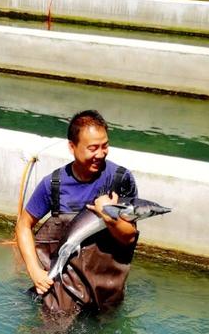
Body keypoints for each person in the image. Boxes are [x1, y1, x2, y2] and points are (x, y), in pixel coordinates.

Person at [15, 110, 139, 319]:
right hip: (61, 285)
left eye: (105, 146)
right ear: (72, 147)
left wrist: (109, 216)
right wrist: (35, 271)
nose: (100, 154)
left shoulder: (120, 180)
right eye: (93, 148)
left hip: (106, 288)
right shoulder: (53, 184)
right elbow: (23, 225)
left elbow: (129, 237)